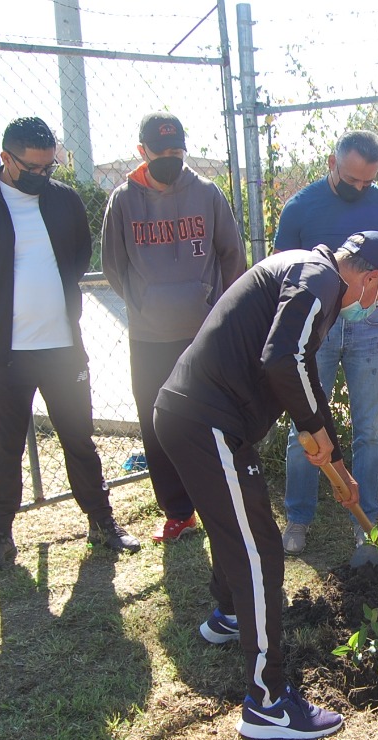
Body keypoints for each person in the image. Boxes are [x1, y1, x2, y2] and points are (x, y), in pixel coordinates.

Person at [153, 230, 378, 740]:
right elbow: (281, 360)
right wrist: (314, 429)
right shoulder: (319, 280)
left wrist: (336, 461)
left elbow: (302, 371)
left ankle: (229, 614)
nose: (375, 305)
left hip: (200, 416)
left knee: (241, 528)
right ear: (372, 278)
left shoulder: (309, 272)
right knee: (260, 551)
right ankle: (267, 702)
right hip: (208, 421)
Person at [0, 116, 140, 572]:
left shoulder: (63, 199)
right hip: (6, 352)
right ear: (5, 158)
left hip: (62, 347)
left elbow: (78, 255)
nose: (41, 175)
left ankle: (101, 522)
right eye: (31, 167)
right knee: (4, 445)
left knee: (79, 438)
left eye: (48, 167)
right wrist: (0, 301)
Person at [273, 130, 378, 554]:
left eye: (368, 181)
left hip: (369, 324)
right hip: (315, 328)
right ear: (331, 163)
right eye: (352, 178)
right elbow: (282, 274)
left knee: (369, 430)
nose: (360, 188)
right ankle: (298, 518)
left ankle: (365, 520)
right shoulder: (300, 208)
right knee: (304, 425)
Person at [102, 112, 247, 543]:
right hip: (148, 336)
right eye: (161, 152)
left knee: (209, 420)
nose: (171, 158)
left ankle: (219, 502)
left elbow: (231, 255)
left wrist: (219, 312)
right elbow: (113, 265)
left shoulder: (207, 194)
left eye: (177, 151)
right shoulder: (123, 200)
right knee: (156, 423)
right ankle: (179, 511)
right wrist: (143, 302)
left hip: (201, 334)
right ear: (141, 151)